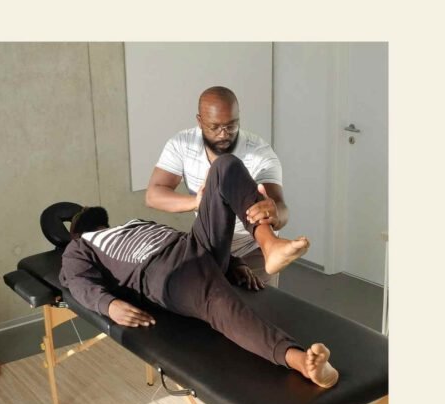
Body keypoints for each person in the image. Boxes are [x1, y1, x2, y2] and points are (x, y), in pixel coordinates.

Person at [60, 154, 338, 388]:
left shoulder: (134, 223)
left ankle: (270, 244)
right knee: (220, 305)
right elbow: (77, 281)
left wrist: (235, 263)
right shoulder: (79, 245)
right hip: (166, 273)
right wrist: (109, 306)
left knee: (225, 166)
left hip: (194, 246)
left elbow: (179, 237)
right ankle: (301, 361)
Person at [145, 86, 288, 287]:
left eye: (231, 126)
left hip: (252, 251)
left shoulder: (259, 153)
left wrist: (275, 213)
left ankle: (271, 246)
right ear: (199, 121)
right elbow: (154, 194)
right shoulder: (182, 144)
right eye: (215, 127)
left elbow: (281, 208)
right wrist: (196, 202)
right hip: (211, 249)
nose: (223, 134)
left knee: (261, 312)